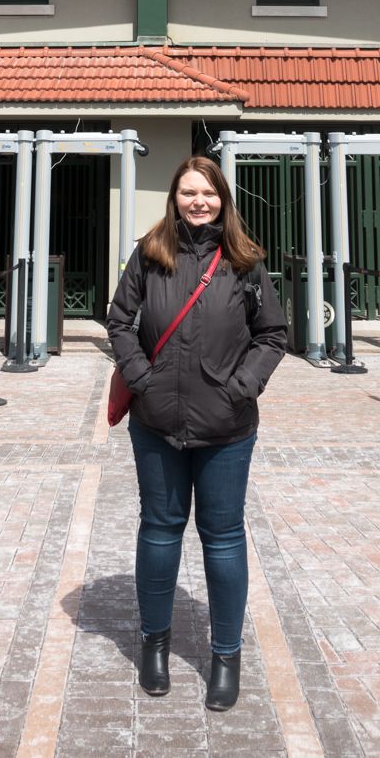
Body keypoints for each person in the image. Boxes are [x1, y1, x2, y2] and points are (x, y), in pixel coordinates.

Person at [106, 155, 287, 711]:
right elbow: (119, 320)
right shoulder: (150, 252)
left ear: (223, 199)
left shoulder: (245, 261)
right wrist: (142, 379)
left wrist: (241, 388)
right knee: (159, 531)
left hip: (228, 428)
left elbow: (273, 334)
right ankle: (154, 645)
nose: (198, 202)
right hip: (157, 424)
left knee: (224, 537)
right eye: (189, 193)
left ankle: (225, 656)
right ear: (175, 197)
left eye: (208, 193)